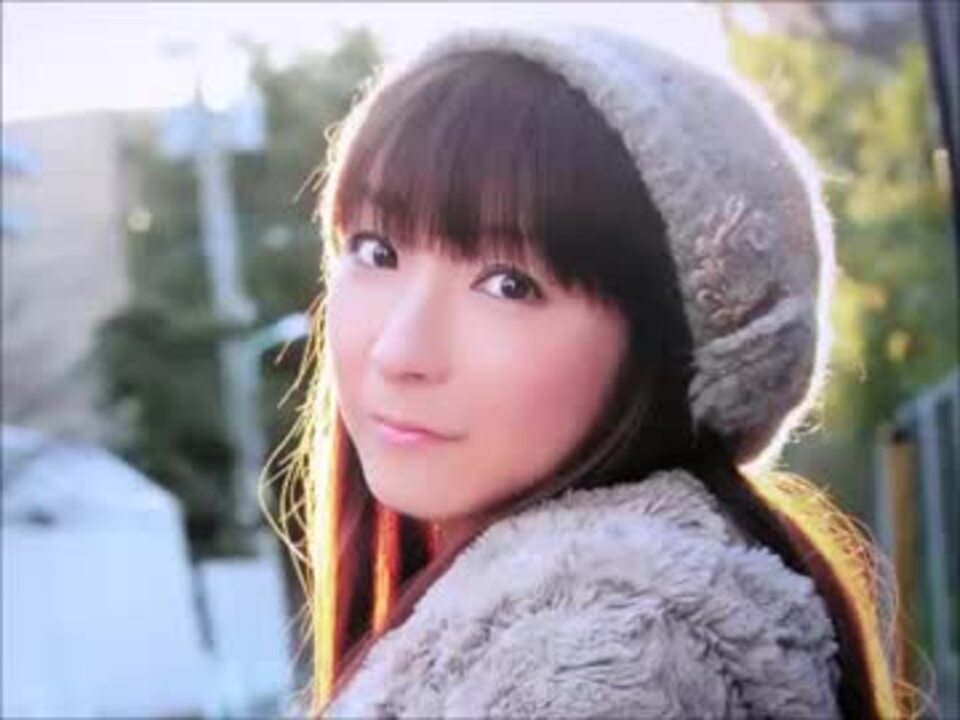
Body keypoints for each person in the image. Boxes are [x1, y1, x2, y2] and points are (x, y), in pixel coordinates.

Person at [272, 22, 910, 718]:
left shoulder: (607, 650)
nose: (399, 351)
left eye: (509, 285)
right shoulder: (595, 614)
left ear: (665, 347)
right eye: (376, 251)